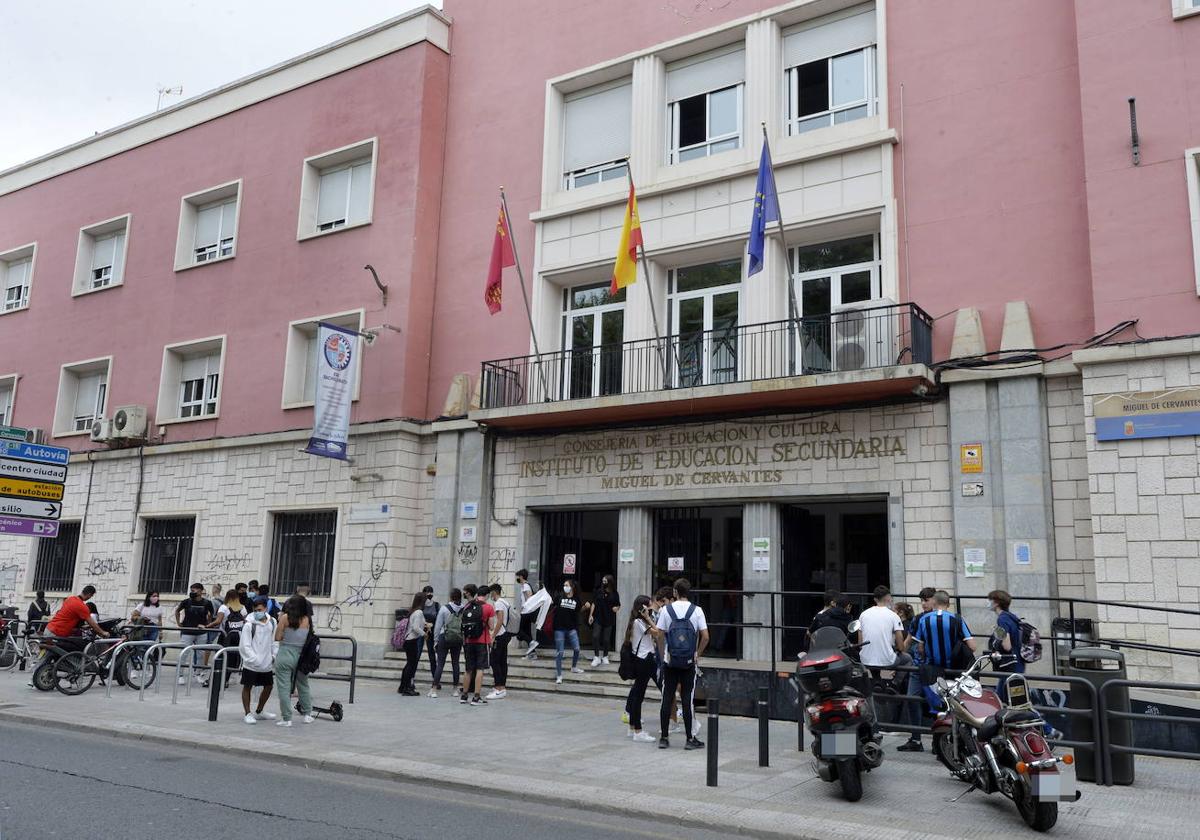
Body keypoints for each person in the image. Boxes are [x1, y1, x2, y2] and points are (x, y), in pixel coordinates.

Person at [656, 578, 707, 750]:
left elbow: (659, 634)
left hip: (670, 662)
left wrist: (665, 653)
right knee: (687, 700)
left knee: (666, 698)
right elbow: (706, 636)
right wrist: (697, 655)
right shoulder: (697, 610)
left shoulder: (665, 610)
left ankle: (664, 738)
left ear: (675, 592)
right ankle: (689, 738)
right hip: (688, 663)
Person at [857, 585, 912, 724]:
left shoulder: (863, 614)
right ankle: (894, 684)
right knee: (907, 659)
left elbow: (860, 641)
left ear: (875, 599)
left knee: (873, 657)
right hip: (887, 661)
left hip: (866, 660)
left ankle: (876, 680)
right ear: (889, 598)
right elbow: (900, 645)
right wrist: (898, 649)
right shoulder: (893, 615)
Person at [624, 595, 661, 743]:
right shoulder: (639, 622)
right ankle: (637, 731)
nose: (651, 608)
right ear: (643, 608)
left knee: (637, 693)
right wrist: (648, 617)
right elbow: (657, 632)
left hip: (646, 659)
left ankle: (633, 727)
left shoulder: (638, 621)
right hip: (644, 660)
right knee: (638, 695)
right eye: (649, 606)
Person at [273, 596, 313, 726]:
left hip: (285, 654)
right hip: (301, 656)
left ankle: (287, 718)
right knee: (303, 685)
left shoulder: (285, 618)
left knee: (284, 687)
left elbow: (277, 637)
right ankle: (307, 714)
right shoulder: (307, 619)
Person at [239, 596, 277, 724]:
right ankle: (247, 713)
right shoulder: (249, 625)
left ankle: (259, 711)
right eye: (255, 610)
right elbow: (245, 645)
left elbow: (274, 641)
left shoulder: (273, 622)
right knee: (247, 686)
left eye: (260, 609)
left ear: (266, 608)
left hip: (267, 662)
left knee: (269, 686)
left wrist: (273, 656)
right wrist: (254, 659)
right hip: (251, 663)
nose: (257, 612)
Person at [460, 584, 495, 706]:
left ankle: (464, 696)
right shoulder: (488, 608)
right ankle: (476, 697)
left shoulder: (468, 606)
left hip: (469, 642)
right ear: (487, 595)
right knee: (480, 669)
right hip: (482, 641)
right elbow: (491, 626)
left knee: (468, 669)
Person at [45, 585, 109, 650]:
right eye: (91, 596)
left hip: (49, 628)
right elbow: (92, 624)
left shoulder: (70, 599)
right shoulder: (82, 606)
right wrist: (103, 632)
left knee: (51, 655)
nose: (90, 597)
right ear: (89, 595)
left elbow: (67, 615)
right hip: (57, 633)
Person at [175, 582, 216, 685]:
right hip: (187, 631)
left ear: (201, 591)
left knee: (200, 654)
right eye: (192, 589)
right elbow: (177, 611)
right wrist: (179, 623)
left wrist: (208, 624)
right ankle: (180, 675)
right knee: (184, 653)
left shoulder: (207, 603)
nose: (193, 591)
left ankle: (198, 673)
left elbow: (211, 614)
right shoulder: (186, 602)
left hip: (201, 632)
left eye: (195, 589)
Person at [431, 588, 464, 698]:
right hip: (458, 638)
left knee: (440, 663)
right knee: (455, 663)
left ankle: (434, 690)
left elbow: (438, 626)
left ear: (450, 597)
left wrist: (435, 640)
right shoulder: (464, 609)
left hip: (444, 637)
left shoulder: (444, 609)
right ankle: (455, 689)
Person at [211, 589, 247, 687]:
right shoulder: (243, 608)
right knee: (232, 659)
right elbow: (245, 622)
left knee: (220, 657)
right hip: (238, 637)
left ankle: (216, 679)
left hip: (225, 636)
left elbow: (218, 621)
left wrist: (207, 625)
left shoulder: (224, 607)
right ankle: (226, 680)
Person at [552, 579, 584, 685]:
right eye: (564, 585)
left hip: (571, 628)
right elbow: (551, 605)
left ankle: (574, 667)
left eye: (567, 585)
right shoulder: (559, 597)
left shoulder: (577, 600)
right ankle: (559, 675)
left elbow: (579, 610)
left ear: (572, 587)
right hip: (559, 629)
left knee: (577, 648)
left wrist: (586, 607)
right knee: (560, 652)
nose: (565, 587)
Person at [398, 592, 428, 696]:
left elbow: (422, 623)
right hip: (412, 641)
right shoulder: (418, 612)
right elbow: (416, 627)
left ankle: (402, 686)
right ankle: (407, 688)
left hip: (408, 640)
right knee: (411, 665)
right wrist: (424, 634)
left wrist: (426, 625)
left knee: (409, 664)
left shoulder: (414, 611)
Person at [588, 574, 620, 668]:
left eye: (605, 581)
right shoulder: (599, 591)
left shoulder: (615, 593)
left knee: (606, 639)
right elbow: (593, 603)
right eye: (603, 581)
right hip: (598, 617)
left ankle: (605, 656)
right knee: (595, 636)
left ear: (610, 582)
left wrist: (616, 608)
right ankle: (596, 656)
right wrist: (591, 615)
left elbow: (618, 605)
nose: (603, 583)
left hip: (609, 618)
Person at [486, 583, 510, 700]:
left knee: (494, 661)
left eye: (491, 593)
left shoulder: (499, 603)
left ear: (494, 592)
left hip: (500, 635)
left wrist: (493, 636)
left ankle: (499, 687)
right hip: (505, 634)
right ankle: (501, 687)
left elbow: (499, 620)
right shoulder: (505, 602)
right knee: (502, 661)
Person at [421, 585, 440, 682]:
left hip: (433, 632)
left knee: (433, 656)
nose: (429, 594)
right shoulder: (420, 606)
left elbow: (439, 619)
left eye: (431, 592)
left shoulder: (436, 605)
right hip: (422, 632)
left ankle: (435, 678)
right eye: (427, 592)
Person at [514, 569, 534, 649]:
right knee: (528, 632)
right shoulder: (525, 585)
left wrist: (523, 607)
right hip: (527, 611)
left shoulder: (526, 586)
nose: (517, 578)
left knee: (519, 631)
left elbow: (529, 598)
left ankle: (531, 642)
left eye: (518, 577)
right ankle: (532, 652)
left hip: (526, 612)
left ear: (521, 577)